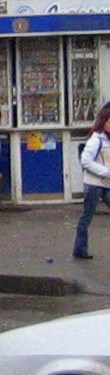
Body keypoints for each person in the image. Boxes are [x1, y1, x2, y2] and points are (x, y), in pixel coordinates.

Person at [73, 103, 110, 260]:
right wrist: (106, 172)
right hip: (94, 184)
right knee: (87, 215)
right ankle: (80, 248)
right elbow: (86, 160)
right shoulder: (97, 139)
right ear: (103, 122)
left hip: (107, 184)